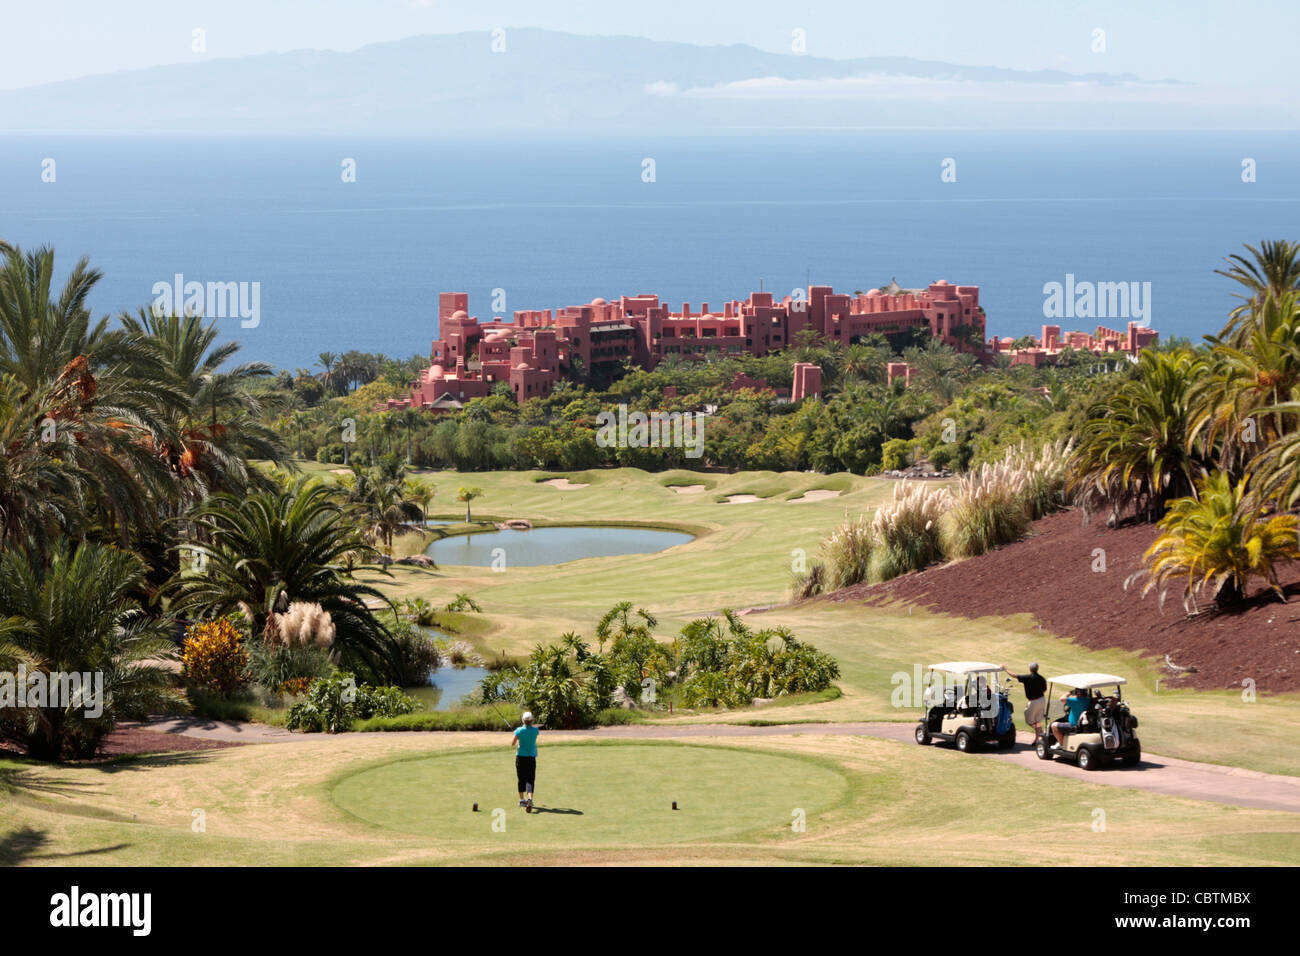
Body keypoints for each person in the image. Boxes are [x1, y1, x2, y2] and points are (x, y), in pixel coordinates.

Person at [1002, 662, 1047, 739]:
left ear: (1030, 669)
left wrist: (1005, 669)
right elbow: (1044, 690)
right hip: (1042, 700)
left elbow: (1014, 675)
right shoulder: (1042, 678)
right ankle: (1037, 739)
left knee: (1028, 720)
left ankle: (1040, 732)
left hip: (1034, 701)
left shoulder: (1028, 677)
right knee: (1038, 720)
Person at [512, 711, 540, 809]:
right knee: (530, 779)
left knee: (521, 778)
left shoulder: (518, 730)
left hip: (520, 757)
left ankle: (522, 800)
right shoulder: (536, 730)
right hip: (531, 758)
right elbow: (531, 733)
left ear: (523, 720)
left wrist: (517, 735)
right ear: (532, 720)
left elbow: (512, 743)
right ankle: (530, 799)